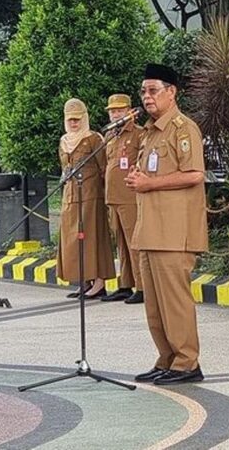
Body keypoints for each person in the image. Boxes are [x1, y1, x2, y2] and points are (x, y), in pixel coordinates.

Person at [125, 63, 208, 385]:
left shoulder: (183, 129)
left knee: (175, 303)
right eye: (143, 91)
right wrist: (139, 179)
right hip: (150, 231)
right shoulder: (149, 133)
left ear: (171, 92)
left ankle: (187, 362)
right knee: (155, 305)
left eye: (153, 90)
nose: (147, 97)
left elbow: (194, 175)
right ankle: (167, 358)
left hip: (174, 233)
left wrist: (149, 184)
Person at [57, 98, 116, 299]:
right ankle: (84, 280)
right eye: (70, 120)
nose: (74, 123)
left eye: (77, 119)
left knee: (92, 237)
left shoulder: (93, 139)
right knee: (72, 240)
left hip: (91, 196)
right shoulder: (64, 141)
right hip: (70, 196)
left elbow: (103, 169)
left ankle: (99, 282)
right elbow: (64, 168)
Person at [100, 93, 144, 304]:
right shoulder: (110, 136)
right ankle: (125, 283)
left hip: (130, 196)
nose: (115, 114)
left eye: (119, 110)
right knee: (121, 244)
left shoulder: (138, 134)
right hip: (113, 197)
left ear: (130, 111)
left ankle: (143, 286)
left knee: (134, 242)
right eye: (112, 111)